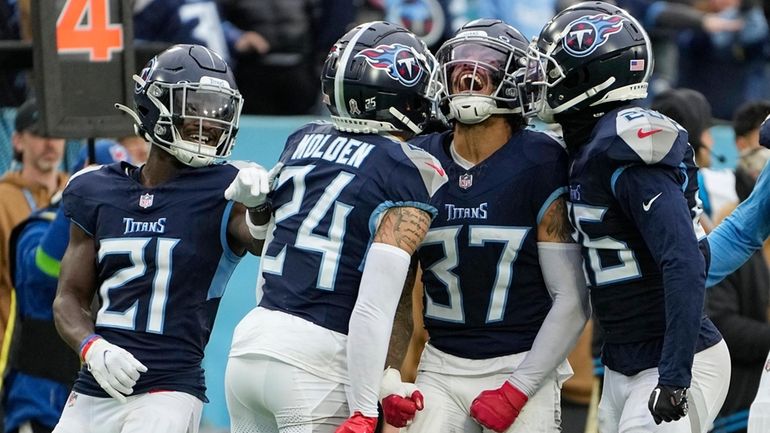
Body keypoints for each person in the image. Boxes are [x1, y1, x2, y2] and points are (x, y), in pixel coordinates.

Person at [223, 21, 448, 433]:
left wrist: (386, 381)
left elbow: (264, 243)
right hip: (317, 361)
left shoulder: (302, 139)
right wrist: (365, 405)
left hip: (250, 346)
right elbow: (373, 307)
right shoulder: (407, 167)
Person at [379, 19, 589, 433]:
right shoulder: (417, 160)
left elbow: (572, 295)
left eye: (486, 65)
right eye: (459, 66)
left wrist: (519, 388)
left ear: (515, 80)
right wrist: (385, 379)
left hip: (521, 362)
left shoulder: (541, 161)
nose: (469, 75)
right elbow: (393, 293)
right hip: (440, 364)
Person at [527, 2, 730, 432]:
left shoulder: (625, 147)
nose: (542, 81)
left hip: (674, 358)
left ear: (591, 74)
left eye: (553, 68)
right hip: (623, 361)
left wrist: (675, 374)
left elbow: (684, 260)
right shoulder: (585, 149)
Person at [51, 43, 270, 433]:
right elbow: (69, 297)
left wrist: (259, 207)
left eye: (218, 111)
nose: (209, 123)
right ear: (155, 107)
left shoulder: (225, 188)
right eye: (195, 107)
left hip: (169, 388)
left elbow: (260, 241)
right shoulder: (95, 188)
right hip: (96, 383)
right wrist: (91, 346)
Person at [4, 141, 131, 433]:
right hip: (40, 403)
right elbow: (46, 271)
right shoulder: (38, 228)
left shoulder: (118, 238)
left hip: (93, 402)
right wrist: (79, 199)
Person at [0, 98, 67, 393]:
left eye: (57, 132)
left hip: (74, 359)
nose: (50, 142)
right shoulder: (3, 200)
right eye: (39, 133)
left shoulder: (85, 192)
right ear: (18, 140)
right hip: (15, 361)